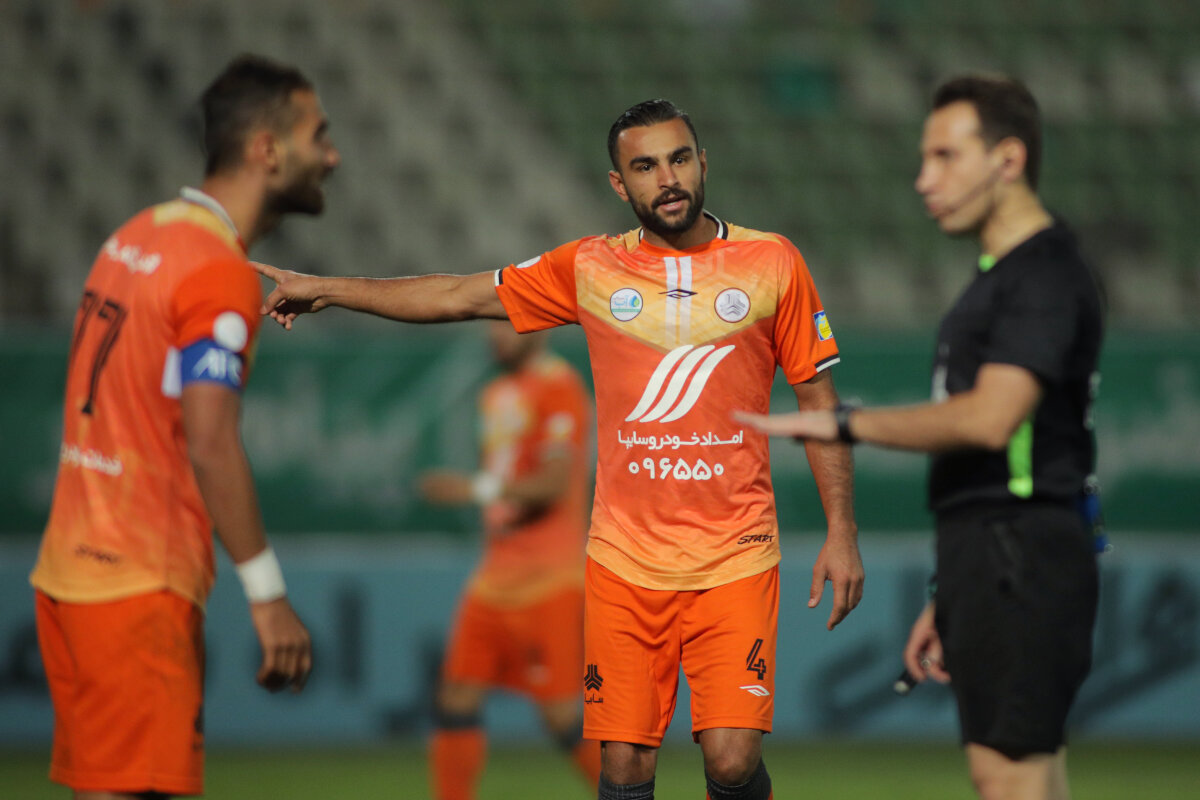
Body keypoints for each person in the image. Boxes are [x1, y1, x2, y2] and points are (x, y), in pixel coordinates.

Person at [256, 98, 863, 800]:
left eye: (679, 159)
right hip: (622, 562)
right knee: (623, 767)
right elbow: (457, 295)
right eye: (645, 167)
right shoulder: (591, 267)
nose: (667, 178)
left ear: (703, 162)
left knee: (730, 760)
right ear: (619, 185)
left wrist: (841, 530)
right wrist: (330, 289)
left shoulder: (772, 261)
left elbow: (818, 401)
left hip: (735, 557)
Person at [737, 75, 1103, 800]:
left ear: (1008, 159)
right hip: (996, 553)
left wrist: (844, 422)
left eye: (945, 156)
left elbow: (991, 417)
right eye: (923, 158)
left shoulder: (1042, 274)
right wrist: (951, 591)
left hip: (1021, 550)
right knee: (1025, 777)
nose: (924, 179)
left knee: (1009, 779)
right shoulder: (1003, 276)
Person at [30, 54, 340, 799]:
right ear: (266, 150)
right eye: (317, 135)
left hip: (69, 572)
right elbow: (210, 438)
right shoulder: (216, 269)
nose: (331, 156)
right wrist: (267, 594)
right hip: (137, 582)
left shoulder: (138, 234)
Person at [420, 321, 600, 798]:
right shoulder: (496, 393)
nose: (495, 336)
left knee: (560, 714)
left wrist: (473, 489)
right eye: (491, 325)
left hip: (548, 575)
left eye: (506, 325)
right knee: (455, 696)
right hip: (494, 573)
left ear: (537, 328)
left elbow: (554, 482)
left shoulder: (559, 387)